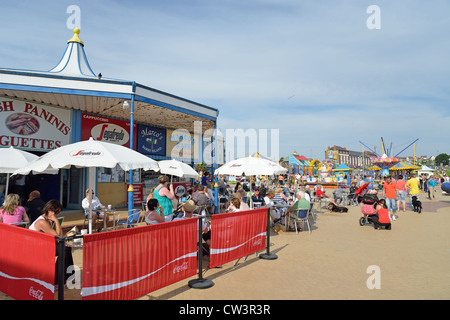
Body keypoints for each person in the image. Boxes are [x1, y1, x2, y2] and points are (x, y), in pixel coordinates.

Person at [29, 200, 74, 286]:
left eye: (58, 212)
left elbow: (59, 237)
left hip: (42, 245)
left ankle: (69, 276)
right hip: (36, 248)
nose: (57, 214)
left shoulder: (46, 220)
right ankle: (57, 280)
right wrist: (56, 221)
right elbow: (59, 237)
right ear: (49, 210)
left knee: (67, 247)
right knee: (64, 250)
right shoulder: (42, 222)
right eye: (56, 212)